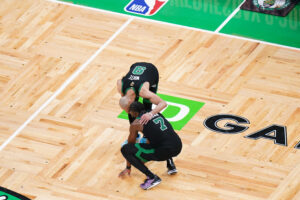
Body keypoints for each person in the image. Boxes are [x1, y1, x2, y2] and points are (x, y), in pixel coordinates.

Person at [117, 62, 177, 174]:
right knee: (134, 117)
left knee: (146, 111)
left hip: (151, 72)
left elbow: (163, 103)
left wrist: (151, 113)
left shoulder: (144, 91)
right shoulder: (120, 85)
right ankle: (136, 135)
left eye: (128, 109)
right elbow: (125, 99)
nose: (128, 112)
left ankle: (166, 157)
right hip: (135, 67)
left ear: (131, 100)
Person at [119, 102, 182, 190]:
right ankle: (170, 164)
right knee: (161, 139)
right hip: (178, 145)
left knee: (125, 149)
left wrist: (128, 167)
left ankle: (152, 177)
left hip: (165, 151)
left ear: (133, 113)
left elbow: (130, 145)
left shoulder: (135, 124)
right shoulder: (155, 113)